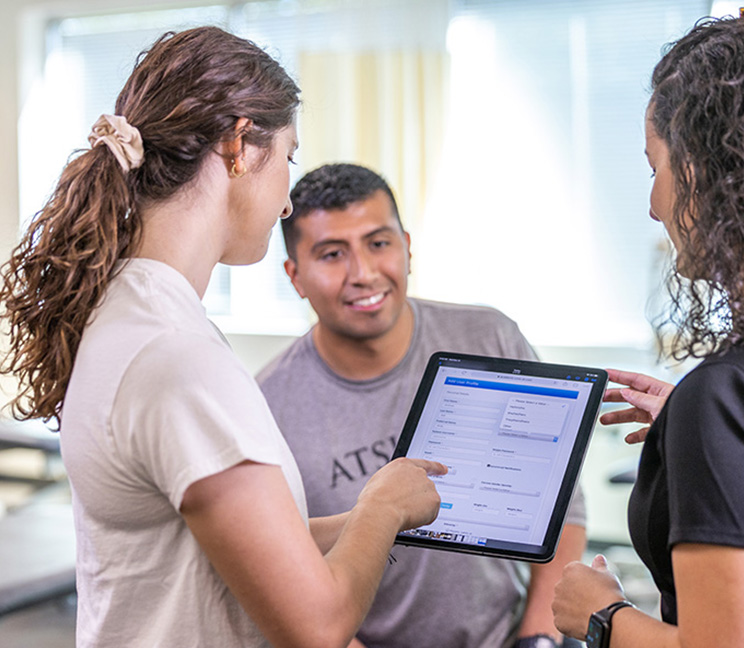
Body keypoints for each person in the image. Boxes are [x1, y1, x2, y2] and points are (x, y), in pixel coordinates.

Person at [0, 27, 447, 648]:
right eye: (287, 159)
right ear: (239, 145)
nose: (287, 202)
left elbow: (217, 549)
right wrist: (383, 505)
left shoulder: (137, 315)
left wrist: (355, 524)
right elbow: (316, 627)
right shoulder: (175, 356)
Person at [551, 8, 744, 648]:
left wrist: (603, 613)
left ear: (704, 172)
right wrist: (717, 444)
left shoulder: (731, 399)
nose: (651, 203)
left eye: (654, 168)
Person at [257, 162, 588, 648]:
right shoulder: (266, 404)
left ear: (407, 248)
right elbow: (279, 575)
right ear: (296, 275)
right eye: (332, 254)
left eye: (378, 243)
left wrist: (538, 638)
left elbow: (561, 503)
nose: (364, 274)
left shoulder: (489, 338)